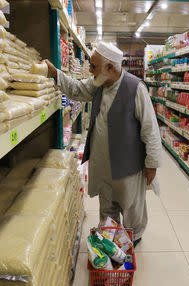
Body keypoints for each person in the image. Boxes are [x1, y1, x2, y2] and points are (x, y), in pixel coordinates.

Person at [43, 42, 161, 246]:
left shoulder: (135, 88)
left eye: (93, 66)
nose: (90, 70)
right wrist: (55, 74)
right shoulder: (98, 84)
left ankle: (134, 237)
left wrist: (151, 164)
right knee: (107, 204)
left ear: (110, 68)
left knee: (131, 205)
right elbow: (76, 89)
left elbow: (150, 129)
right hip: (103, 164)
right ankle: (109, 235)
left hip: (128, 166)